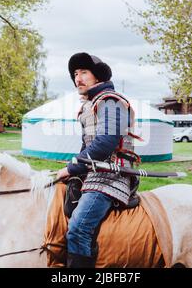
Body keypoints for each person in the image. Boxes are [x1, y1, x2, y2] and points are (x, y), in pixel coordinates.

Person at [55, 52, 140, 268]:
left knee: (78, 227)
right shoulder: (89, 105)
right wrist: (74, 170)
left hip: (112, 176)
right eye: (75, 73)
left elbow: (106, 142)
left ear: (98, 77)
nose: (78, 78)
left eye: (84, 72)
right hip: (94, 173)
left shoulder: (110, 101)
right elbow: (88, 146)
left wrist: (72, 168)